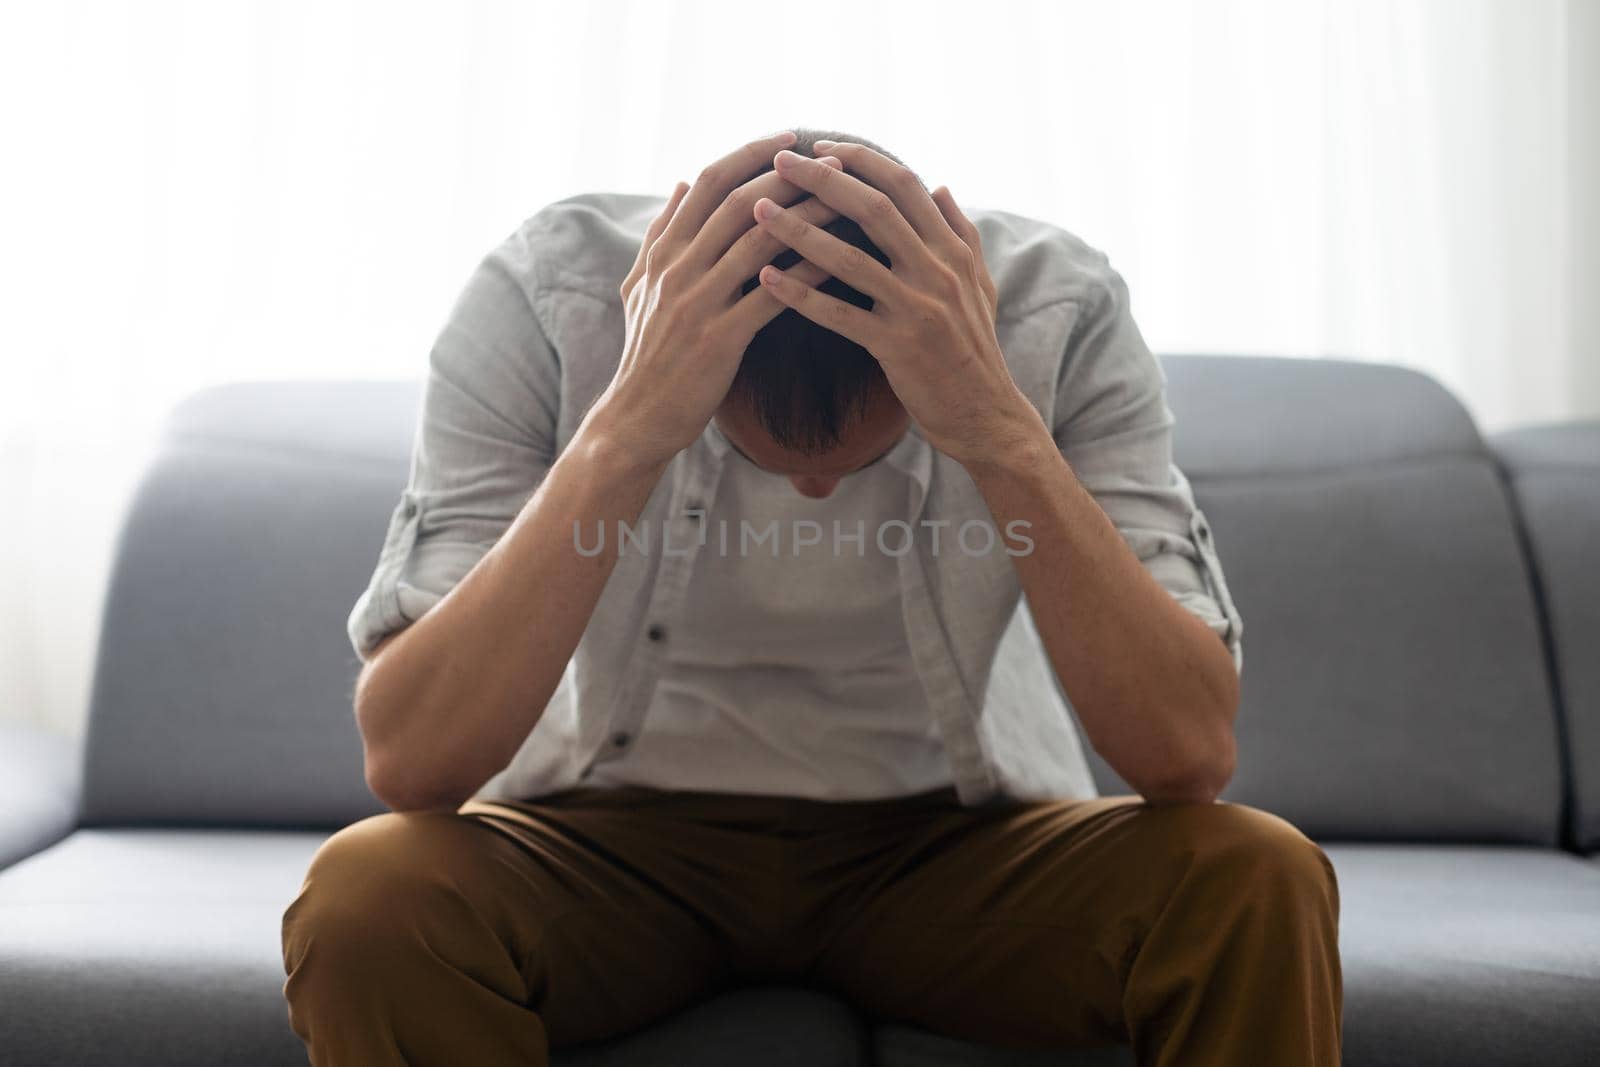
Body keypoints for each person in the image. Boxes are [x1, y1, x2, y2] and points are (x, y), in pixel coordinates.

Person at [280, 127, 1341, 1066]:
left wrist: (993, 421)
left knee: (1253, 873)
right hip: (609, 840)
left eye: (863, 450)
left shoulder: (1053, 308)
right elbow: (413, 760)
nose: (819, 488)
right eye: (768, 450)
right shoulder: (548, 293)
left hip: (949, 848)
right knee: (374, 889)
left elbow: (1186, 750)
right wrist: (632, 419)